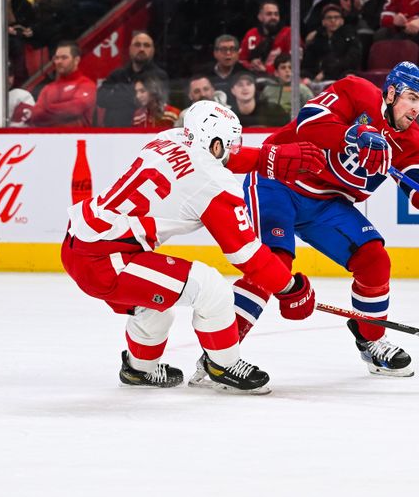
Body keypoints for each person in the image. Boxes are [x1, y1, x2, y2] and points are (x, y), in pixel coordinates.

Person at [235, 62, 419, 377]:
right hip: (279, 180)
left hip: (327, 203)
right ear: (391, 92)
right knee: (275, 262)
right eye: (411, 97)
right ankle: (220, 354)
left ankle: (371, 339)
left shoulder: (412, 142)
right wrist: (353, 134)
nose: (416, 108)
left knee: (373, 259)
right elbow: (308, 123)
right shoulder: (356, 91)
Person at [61, 101, 325, 392]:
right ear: (214, 143)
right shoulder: (214, 183)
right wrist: (290, 288)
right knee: (211, 288)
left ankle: (139, 370)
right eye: (230, 144)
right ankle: (223, 365)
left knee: (155, 306)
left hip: (82, 244)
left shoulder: (168, 138)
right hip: (106, 261)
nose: (233, 150)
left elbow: (213, 158)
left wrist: (267, 157)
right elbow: (246, 254)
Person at [97, 30, 169, 127]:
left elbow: (155, 102)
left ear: (152, 50)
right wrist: (132, 96)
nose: (142, 49)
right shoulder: (117, 75)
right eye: (137, 45)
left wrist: (118, 93)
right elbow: (100, 99)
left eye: (146, 45)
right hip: (114, 132)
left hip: (144, 131)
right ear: (130, 49)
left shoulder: (159, 76)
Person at [29, 41, 96, 127]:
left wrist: (47, 109)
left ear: (76, 60)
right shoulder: (48, 88)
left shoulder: (86, 84)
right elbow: (35, 116)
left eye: (64, 58)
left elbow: (75, 109)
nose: (59, 61)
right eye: (56, 58)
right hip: (51, 139)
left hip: (76, 139)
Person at [302, 4, 363, 88]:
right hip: (317, 78)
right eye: (329, 18)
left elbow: (352, 59)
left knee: (350, 77)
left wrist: (326, 72)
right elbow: (309, 62)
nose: (333, 20)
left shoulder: (349, 37)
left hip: (341, 74)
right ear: (323, 22)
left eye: (336, 17)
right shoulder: (317, 39)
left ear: (342, 21)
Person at [339, 0, 389, 68]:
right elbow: (348, 24)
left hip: (372, 37)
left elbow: (376, 23)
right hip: (353, 37)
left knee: (360, 39)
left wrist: (361, 9)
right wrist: (347, 13)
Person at [240, 0, 292, 75]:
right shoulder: (251, 34)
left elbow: (294, 62)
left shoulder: (288, 33)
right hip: (253, 76)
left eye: (276, 14)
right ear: (260, 17)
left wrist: (266, 69)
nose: (273, 17)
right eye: (269, 14)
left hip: (279, 78)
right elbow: (241, 60)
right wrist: (252, 65)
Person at [207, 35, 251, 100]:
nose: (228, 53)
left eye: (232, 49)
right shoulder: (204, 75)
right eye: (223, 49)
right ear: (215, 53)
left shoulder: (246, 74)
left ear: (238, 53)